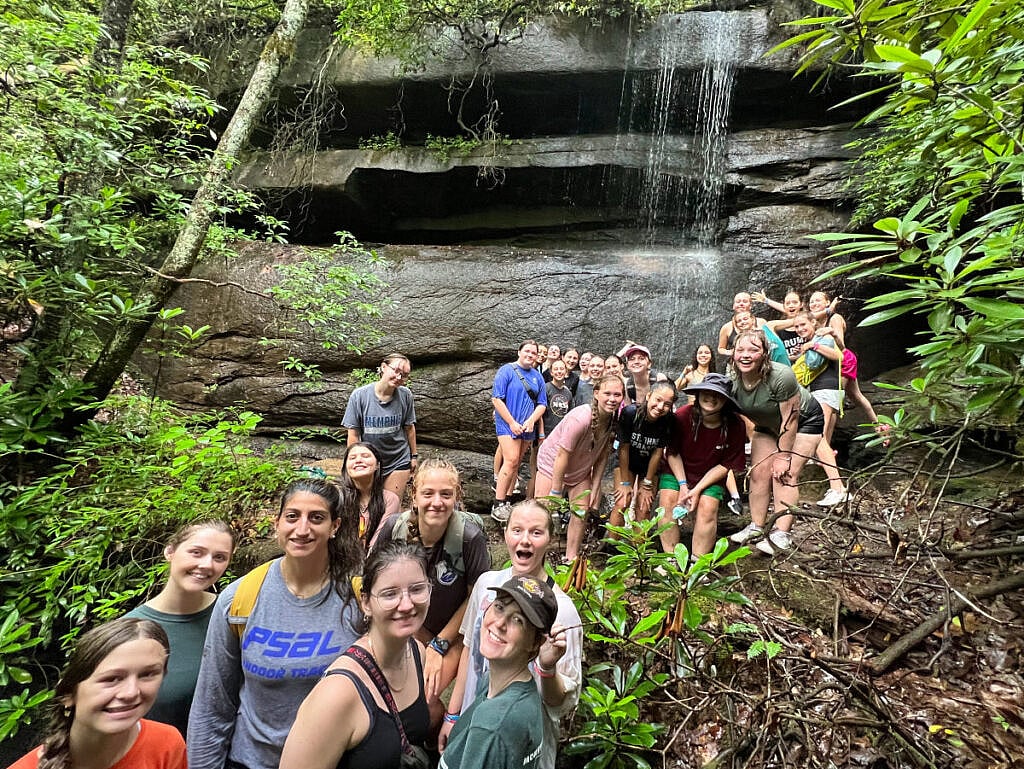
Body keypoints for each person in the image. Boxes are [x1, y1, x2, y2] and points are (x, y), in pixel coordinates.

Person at [187, 477, 363, 769]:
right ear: (277, 523)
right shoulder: (240, 598)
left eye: (316, 518)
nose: (302, 529)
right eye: (292, 517)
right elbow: (212, 703)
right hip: (250, 761)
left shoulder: (357, 598)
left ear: (334, 527)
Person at [441, 501, 582, 769]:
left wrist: (547, 667)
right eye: (517, 530)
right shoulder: (487, 585)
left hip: (517, 743)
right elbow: (469, 649)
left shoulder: (562, 612)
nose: (525, 540)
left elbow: (563, 702)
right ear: (505, 533)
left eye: (536, 532)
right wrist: (453, 716)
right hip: (474, 722)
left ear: (550, 540)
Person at [279, 542, 431, 769]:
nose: (407, 604)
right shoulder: (338, 693)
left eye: (417, 589)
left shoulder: (417, 652)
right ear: (366, 602)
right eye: (390, 594)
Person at [372, 457, 491, 730]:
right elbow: (373, 583)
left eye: (446, 494)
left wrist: (438, 645)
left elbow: (475, 600)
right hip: (405, 624)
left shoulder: (469, 538)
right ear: (414, 496)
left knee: (425, 702)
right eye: (428, 493)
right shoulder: (394, 529)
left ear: (457, 497)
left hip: (454, 634)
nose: (436, 502)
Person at [7, 617, 185, 769]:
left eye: (147, 675)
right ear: (68, 694)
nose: (131, 692)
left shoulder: (166, 745)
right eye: (112, 679)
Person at [124, 520, 235, 736]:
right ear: (170, 552)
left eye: (219, 557)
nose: (206, 564)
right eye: (196, 552)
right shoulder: (130, 630)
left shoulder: (233, 614)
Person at [438, 575, 558, 769]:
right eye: (499, 607)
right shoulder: (501, 686)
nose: (500, 623)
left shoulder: (493, 725)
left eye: (518, 620)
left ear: (536, 643)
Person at [727, 330, 824, 555]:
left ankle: (782, 533)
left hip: (804, 422)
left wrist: (783, 456)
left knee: (783, 473)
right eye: (740, 349)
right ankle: (757, 527)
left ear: (764, 354)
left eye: (753, 349)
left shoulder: (781, 376)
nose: (745, 355)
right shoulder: (732, 376)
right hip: (767, 425)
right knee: (759, 473)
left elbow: (790, 420)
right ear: (732, 354)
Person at [535, 374, 624, 563]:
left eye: (617, 394)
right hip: (552, 465)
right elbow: (562, 455)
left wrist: (596, 487)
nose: (612, 399)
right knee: (542, 513)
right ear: (597, 393)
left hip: (580, 471)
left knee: (580, 513)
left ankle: (571, 558)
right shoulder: (581, 418)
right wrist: (556, 490)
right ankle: (535, 558)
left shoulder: (614, 420)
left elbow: (602, 457)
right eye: (607, 393)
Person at [657, 374, 747, 557]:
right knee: (668, 500)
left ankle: (698, 563)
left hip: (710, 475)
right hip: (677, 470)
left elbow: (726, 464)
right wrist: (683, 486)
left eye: (718, 395)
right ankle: (672, 559)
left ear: (726, 401)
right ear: (698, 394)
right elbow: (672, 453)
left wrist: (696, 490)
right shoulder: (682, 416)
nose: (711, 398)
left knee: (708, 506)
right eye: (707, 392)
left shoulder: (735, 425)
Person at [808, 291, 888, 440]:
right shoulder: (816, 322)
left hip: (843, 360)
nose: (813, 304)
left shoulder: (835, 318)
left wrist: (830, 333)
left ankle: (824, 443)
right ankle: (880, 427)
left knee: (832, 402)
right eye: (811, 301)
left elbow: (840, 345)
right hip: (833, 361)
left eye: (817, 300)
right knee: (856, 396)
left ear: (827, 302)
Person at [792, 312, 849, 506]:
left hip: (827, 389)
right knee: (818, 438)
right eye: (797, 326)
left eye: (803, 324)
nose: (800, 329)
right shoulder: (814, 340)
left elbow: (839, 355)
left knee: (819, 439)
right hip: (822, 389)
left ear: (813, 322)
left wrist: (813, 345)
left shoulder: (822, 337)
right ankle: (836, 488)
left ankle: (838, 488)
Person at [343, 353, 418, 499]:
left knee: (391, 505)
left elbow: (409, 427)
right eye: (396, 371)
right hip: (369, 461)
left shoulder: (405, 395)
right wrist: (353, 460)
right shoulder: (359, 396)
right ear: (383, 367)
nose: (399, 377)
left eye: (404, 375)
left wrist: (413, 456)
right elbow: (353, 434)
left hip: (398, 459)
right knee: (368, 505)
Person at [492, 340, 548, 521]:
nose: (530, 355)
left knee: (517, 463)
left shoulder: (537, 376)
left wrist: (531, 420)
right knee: (511, 459)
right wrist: (512, 422)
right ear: (519, 352)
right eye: (527, 351)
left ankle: (507, 500)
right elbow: (497, 399)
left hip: (527, 426)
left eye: (534, 353)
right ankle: (498, 503)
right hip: (507, 424)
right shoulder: (506, 370)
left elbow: (542, 404)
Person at [614, 381, 677, 523]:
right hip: (628, 462)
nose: (661, 407)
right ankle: (611, 545)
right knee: (622, 503)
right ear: (649, 396)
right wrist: (624, 483)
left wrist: (647, 483)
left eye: (667, 404)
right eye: (658, 400)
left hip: (650, 465)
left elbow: (658, 452)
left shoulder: (668, 420)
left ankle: (639, 545)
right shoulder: (630, 413)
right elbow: (624, 448)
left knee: (644, 507)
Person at [338, 441, 402, 550]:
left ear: (377, 465)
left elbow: (379, 541)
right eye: (352, 458)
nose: (358, 460)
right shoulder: (338, 497)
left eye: (365, 456)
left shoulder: (389, 499)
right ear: (346, 468)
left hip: (374, 559)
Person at [717, 292, 768, 365]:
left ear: (750, 306)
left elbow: (770, 342)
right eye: (738, 302)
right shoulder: (727, 327)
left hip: (760, 363)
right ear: (734, 306)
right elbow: (720, 348)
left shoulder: (761, 322)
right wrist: (730, 352)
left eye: (745, 301)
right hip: (736, 365)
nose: (741, 304)